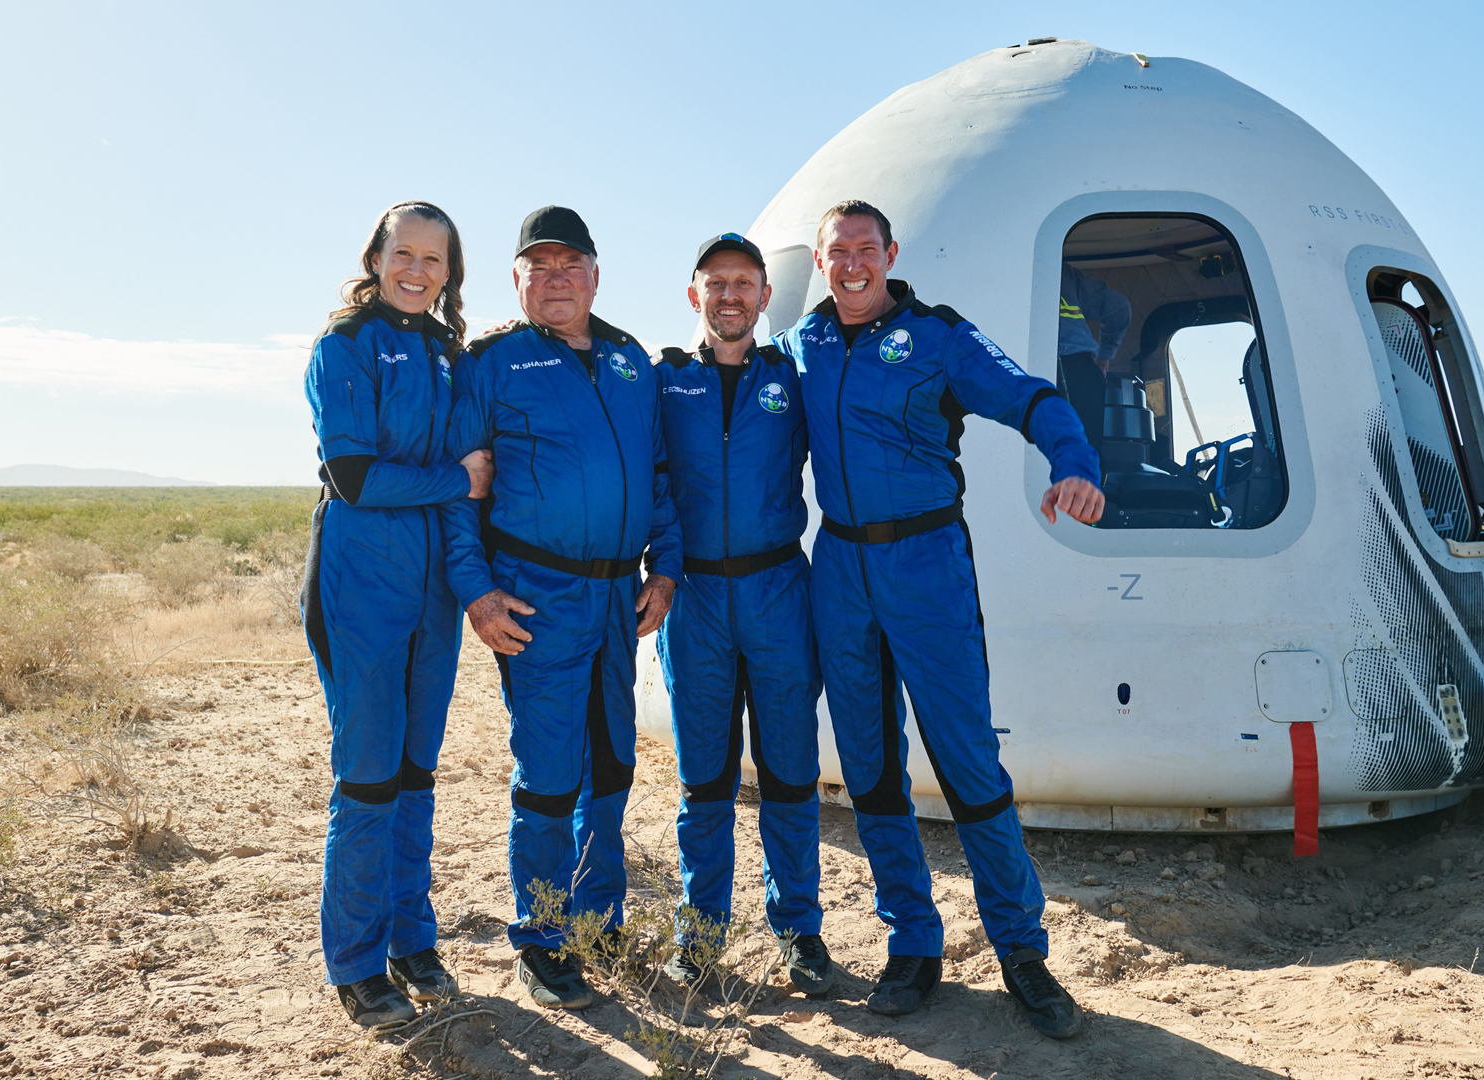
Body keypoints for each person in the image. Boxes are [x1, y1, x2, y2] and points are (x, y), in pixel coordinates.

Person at [772, 200, 1105, 1040]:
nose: (852, 264)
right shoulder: (804, 344)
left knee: (966, 760)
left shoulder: (939, 335)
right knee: (870, 764)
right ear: (821, 261)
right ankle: (913, 943)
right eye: (837, 252)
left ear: (890, 253)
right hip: (840, 566)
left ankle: (1021, 951)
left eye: (866, 248)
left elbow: (1030, 397)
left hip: (926, 563)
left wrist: (1074, 463)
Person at [444, 206, 682, 1010]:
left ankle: (598, 919)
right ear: (515, 280)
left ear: (596, 275)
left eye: (569, 264)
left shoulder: (629, 361)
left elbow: (659, 475)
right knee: (549, 776)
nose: (555, 279)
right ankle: (542, 941)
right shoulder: (493, 363)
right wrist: (477, 593)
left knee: (610, 765)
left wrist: (666, 569)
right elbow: (461, 492)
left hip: (618, 595)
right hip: (535, 596)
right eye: (537, 266)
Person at [301, 201, 496, 1030]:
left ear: (450, 272)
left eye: (434, 259)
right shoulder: (343, 344)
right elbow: (355, 477)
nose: (418, 270)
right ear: (376, 258)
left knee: (417, 773)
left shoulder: (450, 355)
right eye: (403, 254)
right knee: (370, 775)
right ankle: (355, 962)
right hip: (360, 581)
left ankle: (412, 941)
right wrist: (458, 480)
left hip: (432, 591)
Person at [653, 234, 830, 995]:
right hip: (695, 598)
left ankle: (799, 930)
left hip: (777, 592)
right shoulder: (663, 380)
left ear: (764, 295)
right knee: (706, 781)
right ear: (695, 294)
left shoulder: (792, 376)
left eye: (745, 282)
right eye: (716, 282)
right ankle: (700, 936)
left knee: (790, 773)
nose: (730, 295)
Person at [1056, 260, 1132, 442]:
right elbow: (1120, 308)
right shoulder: (1062, 271)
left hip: (1027, 372)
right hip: (1081, 373)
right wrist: (1103, 360)